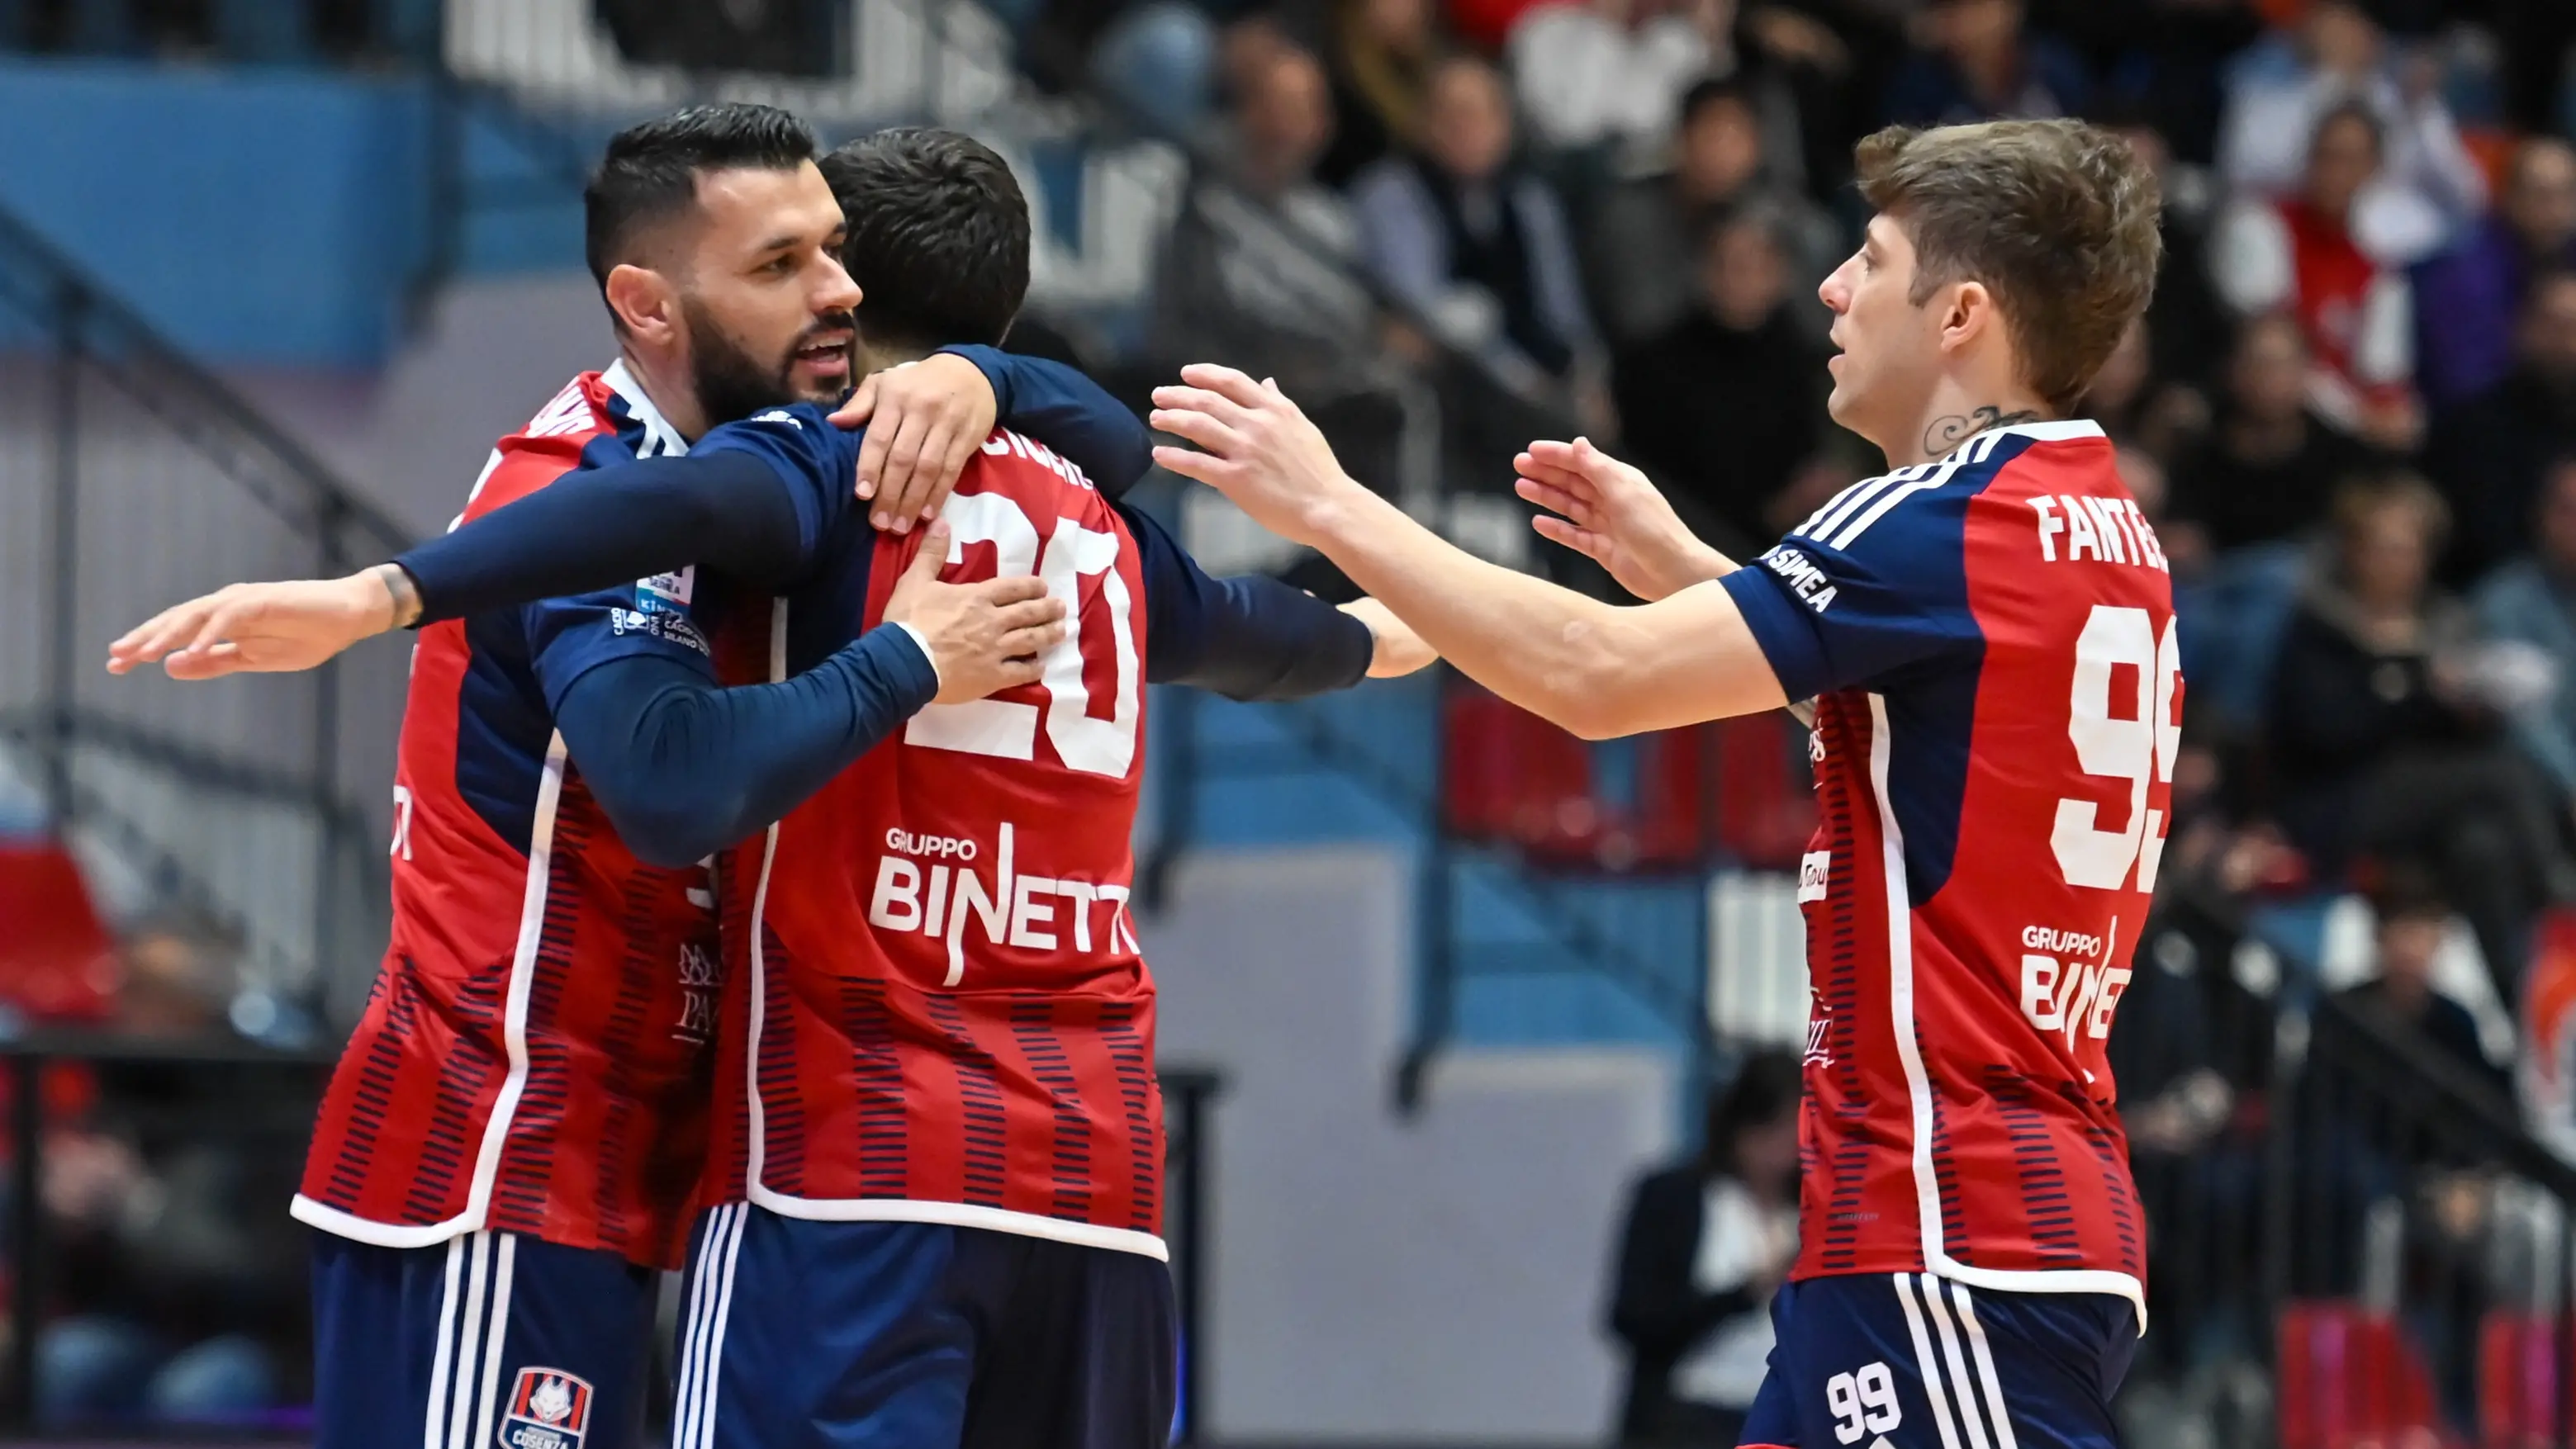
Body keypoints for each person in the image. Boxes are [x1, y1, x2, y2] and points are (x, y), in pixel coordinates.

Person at [138, 126, 1431, 1448]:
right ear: (650, 303)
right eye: (782, 264)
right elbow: (673, 785)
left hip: (713, 1155)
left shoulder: (842, 470)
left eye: (837, 257)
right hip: (512, 1142)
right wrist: (904, 655)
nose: (832, 294)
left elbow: (1118, 456)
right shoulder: (609, 480)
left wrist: (980, 374)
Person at [1155, 116, 2170, 1449]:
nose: (1829, 288)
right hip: (1977, 1217)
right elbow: (1905, 723)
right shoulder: (2100, 525)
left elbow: (1591, 676)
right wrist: (1698, 576)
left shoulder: (1932, 517)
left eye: (1868, 260)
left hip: (1948, 1224)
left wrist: (1328, 505)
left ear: (1959, 315)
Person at [2264, 473, 2572, 1002]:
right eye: (2385, 549)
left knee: (2484, 846)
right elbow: (2326, 731)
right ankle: (2562, 898)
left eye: (2410, 551)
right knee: (2502, 775)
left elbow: (2457, 736)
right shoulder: (2320, 625)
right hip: (2338, 802)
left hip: (2431, 811)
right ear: (2354, 549)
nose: (2398, 564)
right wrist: (2420, 696)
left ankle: (2526, 1003)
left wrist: (2468, 709)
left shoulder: (2443, 625)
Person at [1350, 54, 1600, 398]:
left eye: (1482, 114)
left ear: (1507, 125)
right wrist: (1517, 377)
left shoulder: (1530, 202)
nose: (1466, 127)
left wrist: (1589, 380)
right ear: (1422, 122)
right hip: (1444, 385)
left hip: (1543, 385)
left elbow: (1565, 312)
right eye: (1452, 114)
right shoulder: (1389, 195)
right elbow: (1420, 312)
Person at [1611, 204, 1830, 559]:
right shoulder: (1652, 363)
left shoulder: (1797, 354)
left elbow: (1809, 454)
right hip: (1687, 543)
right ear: (1702, 269)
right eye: (1725, 265)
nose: (1737, 282)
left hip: (1787, 547)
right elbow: (1656, 478)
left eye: (1753, 267)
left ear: (1781, 275)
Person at [1606, 1049, 1801, 1447]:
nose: (1782, 1152)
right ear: (1741, 1127)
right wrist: (1743, 1293)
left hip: (1786, 1419)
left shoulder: (1816, 1211)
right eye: (1771, 1133)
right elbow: (1635, 1316)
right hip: (1686, 1417)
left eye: (1795, 1136)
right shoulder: (1675, 1198)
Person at [2208, 102, 2421, 451]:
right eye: (2327, 156)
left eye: (2351, 160)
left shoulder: (2380, 276)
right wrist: (2356, 418)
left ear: (2373, 170)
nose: (2335, 172)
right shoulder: (2259, 225)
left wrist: (2386, 417)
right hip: (2252, 420)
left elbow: (2384, 380)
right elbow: (2271, 354)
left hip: (2333, 441)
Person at [2427, 269, 2576, 583]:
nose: (2566, 342)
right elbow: (2479, 535)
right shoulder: (2474, 426)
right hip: (2501, 585)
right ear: (2522, 328)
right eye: (2554, 324)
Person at [2413, 138, 2576, 408]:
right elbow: (2463, 381)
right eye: (2541, 194)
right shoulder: (2466, 275)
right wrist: (2535, 345)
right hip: (2483, 416)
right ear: (2509, 196)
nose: (2555, 209)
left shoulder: (2567, 255)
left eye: (2566, 194)